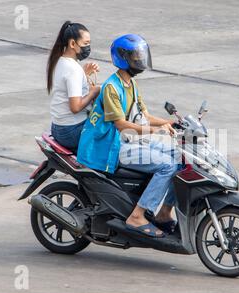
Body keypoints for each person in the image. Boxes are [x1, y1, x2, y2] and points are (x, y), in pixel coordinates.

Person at [77, 34, 180, 238]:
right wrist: (157, 131)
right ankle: (137, 216)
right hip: (109, 146)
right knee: (167, 165)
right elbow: (122, 125)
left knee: (180, 158)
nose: (140, 60)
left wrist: (170, 122)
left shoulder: (131, 84)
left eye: (141, 56)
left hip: (125, 140)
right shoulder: (112, 87)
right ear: (123, 58)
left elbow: (145, 116)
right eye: (136, 56)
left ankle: (164, 212)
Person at [47, 21, 101, 153]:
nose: (88, 47)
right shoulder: (73, 69)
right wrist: (94, 92)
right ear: (72, 44)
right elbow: (75, 107)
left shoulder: (59, 61)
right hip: (72, 131)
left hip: (58, 127)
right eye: (85, 44)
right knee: (111, 129)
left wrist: (84, 74)